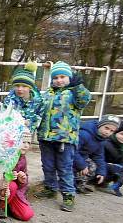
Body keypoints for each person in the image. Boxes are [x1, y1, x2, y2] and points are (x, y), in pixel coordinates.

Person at [34, 61, 92, 212]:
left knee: (64, 167)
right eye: (56, 77)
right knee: (47, 165)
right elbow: (38, 110)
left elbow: (84, 100)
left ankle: (68, 194)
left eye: (63, 77)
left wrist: (78, 86)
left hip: (64, 139)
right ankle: (50, 187)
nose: (59, 80)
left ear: (69, 77)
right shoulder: (47, 94)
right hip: (45, 137)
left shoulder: (73, 93)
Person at [73, 115, 120, 194]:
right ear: (100, 125)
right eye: (106, 128)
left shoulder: (101, 138)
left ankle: (79, 184)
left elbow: (99, 156)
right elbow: (73, 150)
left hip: (81, 157)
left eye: (112, 131)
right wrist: (82, 165)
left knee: (93, 166)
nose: (108, 132)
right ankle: (69, 185)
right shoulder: (84, 134)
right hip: (68, 156)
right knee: (82, 167)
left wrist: (101, 172)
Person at [2, 62, 45, 134]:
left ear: (30, 88)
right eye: (17, 86)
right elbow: (3, 115)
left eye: (24, 86)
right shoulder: (9, 100)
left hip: (28, 133)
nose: (20, 89)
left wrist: (31, 124)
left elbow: (39, 117)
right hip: (11, 133)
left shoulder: (38, 101)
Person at [2, 133, 35, 221]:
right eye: (23, 142)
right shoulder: (5, 156)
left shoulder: (23, 158)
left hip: (15, 192)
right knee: (12, 186)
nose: (26, 145)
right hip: (2, 189)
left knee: (27, 214)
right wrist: (8, 177)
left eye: (28, 142)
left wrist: (22, 180)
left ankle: (9, 205)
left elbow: (23, 185)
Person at [99, 118, 123, 196]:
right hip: (99, 167)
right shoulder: (106, 143)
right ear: (115, 133)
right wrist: (112, 166)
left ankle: (115, 185)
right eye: (122, 134)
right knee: (116, 168)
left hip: (109, 169)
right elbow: (98, 159)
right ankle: (95, 181)